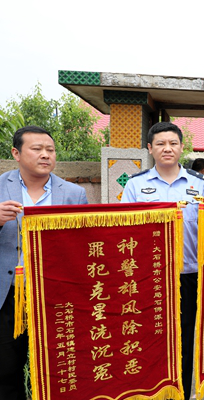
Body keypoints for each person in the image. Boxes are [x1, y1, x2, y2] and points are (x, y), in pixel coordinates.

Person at [121, 121, 204, 400]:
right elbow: (125, 230)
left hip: (188, 275)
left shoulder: (199, 185)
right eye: (160, 144)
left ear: (182, 147)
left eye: (172, 143)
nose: (167, 148)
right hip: (149, 277)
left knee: (184, 338)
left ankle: (182, 392)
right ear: (150, 148)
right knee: (150, 337)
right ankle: (151, 392)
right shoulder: (135, 185)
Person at [0, 126, 88, 400]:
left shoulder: (74, 193)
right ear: (16, 153)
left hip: (55, 296)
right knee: (6, 370)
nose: (45, 155)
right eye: (36, 149)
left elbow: (83, 244)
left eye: (50, 150)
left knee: (57, 370)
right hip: (8, 295)